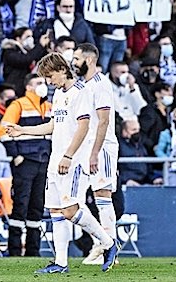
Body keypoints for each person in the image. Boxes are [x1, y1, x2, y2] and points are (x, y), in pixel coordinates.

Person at [4, 53, 118, 273]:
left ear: (61, 70)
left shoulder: (80, 92)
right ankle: (61, 263)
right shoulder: (58, 94)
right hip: (55, 160)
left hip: (72, 161)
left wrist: (68, 155)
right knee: (56, 213)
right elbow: (53, 125)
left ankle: (108, 243)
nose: (48, 81)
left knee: (70, 211)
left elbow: (84, 127)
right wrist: (23, 130)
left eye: (49, 76)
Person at [71, 43, 119, 265]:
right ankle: (101, 243)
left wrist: (94, 153)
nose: (73, 63)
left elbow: (104, 120)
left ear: (89, 60)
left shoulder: (101, 84)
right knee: (77, 200)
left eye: (76, 59)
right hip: (86, 146)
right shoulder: (83, 85)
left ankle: (110, 249)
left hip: (102, 147)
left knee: (103, 195)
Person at [0, 73, 51, 257]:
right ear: (28, 87)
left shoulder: (48, 106)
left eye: (43, 82)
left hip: (43, 160)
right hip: (25, 160)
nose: (42, 85)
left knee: (37, 206)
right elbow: (3, 130)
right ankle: (14, 251)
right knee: (20, 205)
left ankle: (33, 251)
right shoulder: (18, 104)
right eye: (38, 82)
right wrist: (15, 154)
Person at [2, 27, 50, 96]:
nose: (30, 39)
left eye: (31, 36)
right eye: (27, 36)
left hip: (27, 89)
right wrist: (40, 45)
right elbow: (25, 60)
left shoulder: (31, 52)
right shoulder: (10, 51)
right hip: (14, 89)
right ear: (18, 38)